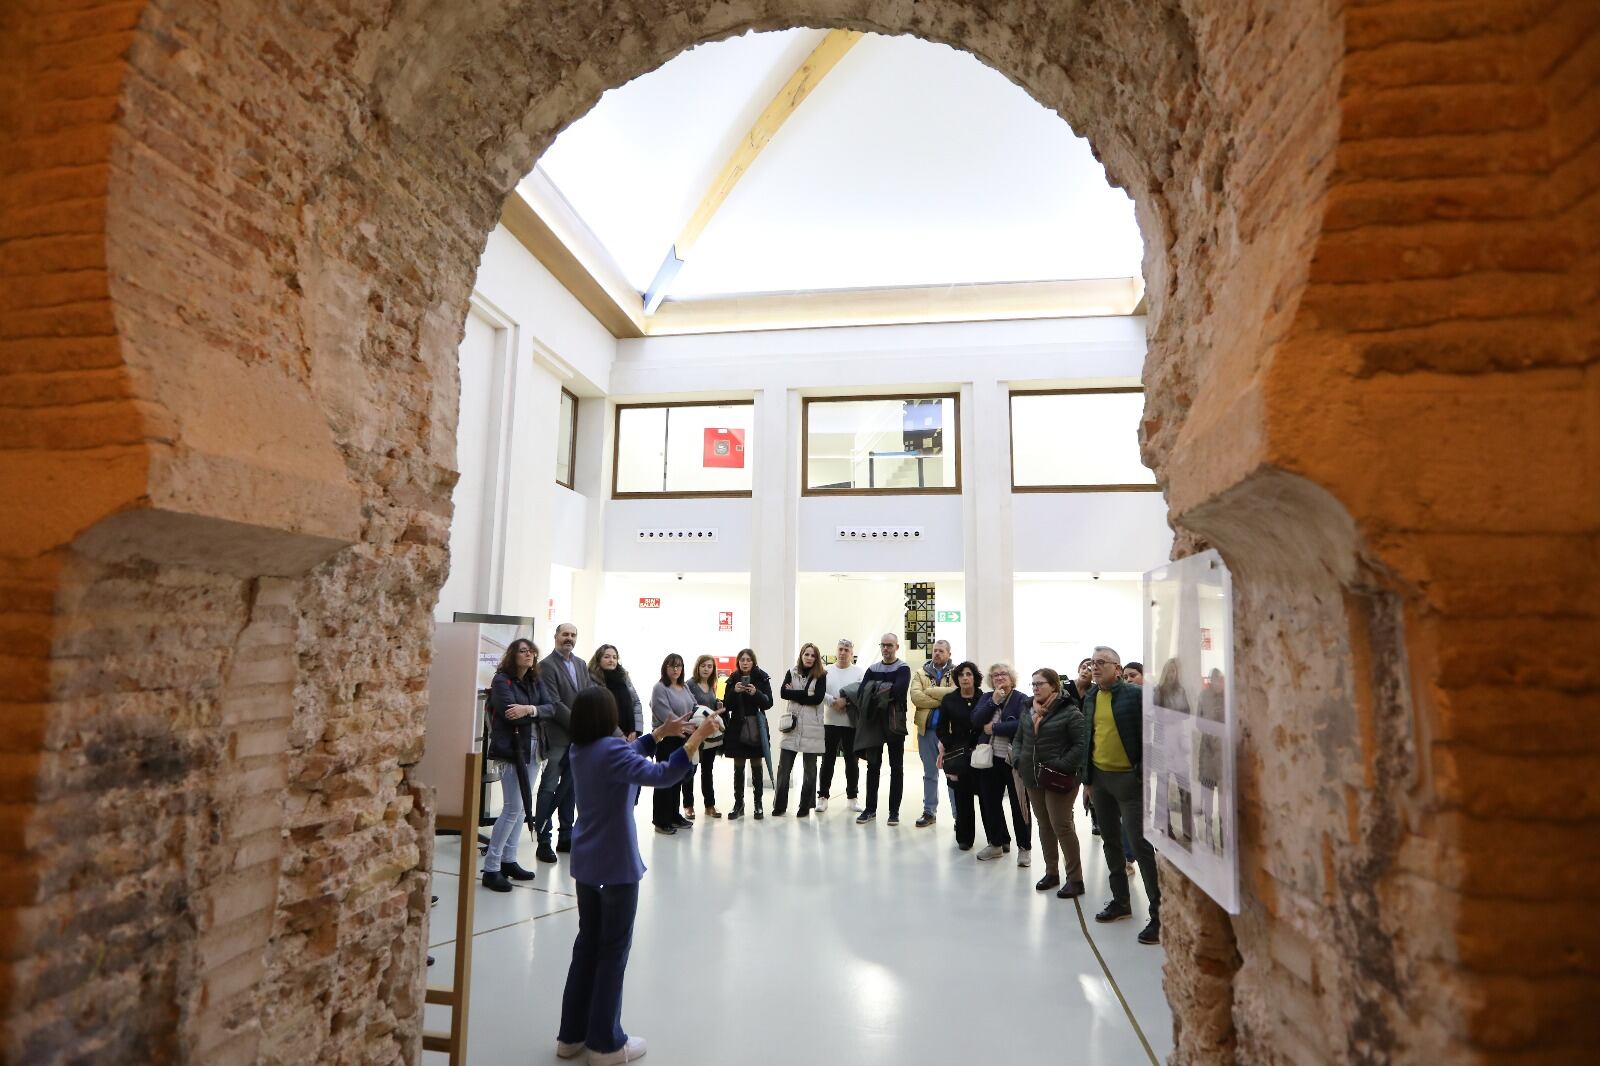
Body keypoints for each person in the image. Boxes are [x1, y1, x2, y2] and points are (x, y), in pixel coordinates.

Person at [555, 686, 722, 1064]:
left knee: (587, 947)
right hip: (615, 866)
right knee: (613, 951)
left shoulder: (580, 749)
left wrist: (660, 734)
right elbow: (663, 775)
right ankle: (606, 1044)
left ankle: (572, 1036)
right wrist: (697, 736)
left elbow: (626, 754)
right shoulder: (609, 750)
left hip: (587, 864)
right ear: (605, 717)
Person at [1083, 645, 1163, 945]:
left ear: (1117, 668)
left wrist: (1143, 773)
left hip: (1130, 780)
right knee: (1110, 841)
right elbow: (1088, 739)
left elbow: (1153, 736)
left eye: (1102, 662)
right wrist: (1087, 780)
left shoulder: (1135, 696)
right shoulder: (1091, 697)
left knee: (1140, 845)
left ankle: (1159, 914)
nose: (1095, 667)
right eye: (1093, 663)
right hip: (1100, 779)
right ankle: (1121, 902)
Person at [482, 638, 553, 891]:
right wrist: (529, 712)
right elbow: (507, 712)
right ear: (513, 655)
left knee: (523, 808)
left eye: (531, 651)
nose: (529, 655)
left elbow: (551, 708)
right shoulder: (502, 680)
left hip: (534, 750)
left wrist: (529, 710)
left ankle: (509, 860)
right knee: (512, 808)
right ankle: (491, 868)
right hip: (512, 751)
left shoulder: (536, 680)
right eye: (523, 651)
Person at [1014, 668, 1088, 898]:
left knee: (1062, 826)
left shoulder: (1070, 711)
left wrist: (1061, 764)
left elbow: (1081, 744)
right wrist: (1017, 759)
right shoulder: (1028, 709)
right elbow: (1019, 738)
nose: (1035, 687)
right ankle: (1051, 872)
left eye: (1040, 683)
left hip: (1058, 778)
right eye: (1033, 684)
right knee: (1044, 825)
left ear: (1054, 686)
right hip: (1033, 776)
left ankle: (1075, 880)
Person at [935, 660, 1008, 853]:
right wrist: (950, 744)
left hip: (982, 752)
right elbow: (941, 727)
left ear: (975, 678)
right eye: (961, 675)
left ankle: (998, 838)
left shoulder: (984, 697)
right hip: (958, 754)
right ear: (957, 679)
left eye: (969, 674)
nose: (965, 678)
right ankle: (965, 838)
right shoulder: (949, 700)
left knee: (988, 799)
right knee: (962, 797)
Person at [537, 623, 594, 863]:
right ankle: (543, 840)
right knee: (549, 787)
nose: (569, 638)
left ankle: (566, 837)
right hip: (557, 737)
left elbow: (588, 695)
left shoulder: (581, 664)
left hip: (578, 739)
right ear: (556, 637)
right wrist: (580, 724)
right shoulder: (545, 666)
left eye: (573, 634)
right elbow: (554, 702)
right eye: (565, 634)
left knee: (571, 787)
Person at [973, 663, 1031, 866]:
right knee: (990, 804)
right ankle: (996, 844)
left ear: (1012, 677)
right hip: (989, 761)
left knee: (1019, 806)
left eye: (1003, 674)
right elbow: (976, 720)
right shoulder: (988, 697)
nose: (999, 677)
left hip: (1013, 761)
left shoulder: (1021, 698)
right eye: (995, 675)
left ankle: (1024, 848)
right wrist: (993, 702)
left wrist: (995, 728)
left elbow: (1023, 724)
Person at [855, 633, 911, 825]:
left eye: (890, 645)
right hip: (874, 723)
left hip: (895, 722)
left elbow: (899, 690)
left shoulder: (903, 668)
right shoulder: (872, 668)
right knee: (873, 767)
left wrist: (875, 688)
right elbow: (863, 692)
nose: (886, 649)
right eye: (883, 645)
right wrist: (885, 689)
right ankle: (870, 809)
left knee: (896, 767)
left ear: (897, 647)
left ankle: (893, 812)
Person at [774, 642, 827, 817]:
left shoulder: (822, 675)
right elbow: (783, 693)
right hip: (792, 727)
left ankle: (805, 806)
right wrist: (805, 695)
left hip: (813, 728)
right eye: (807, 654)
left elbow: (818, 699)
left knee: (810, 771)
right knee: (784, 769)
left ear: (816, 658)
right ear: (801, 655)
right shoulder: (791, 672)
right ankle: (779, 806)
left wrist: (795, 694)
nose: (809, 658)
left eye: (813, 655)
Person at [908, 638, 956, 828]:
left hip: (951, 733)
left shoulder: (957, 672)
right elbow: (916, 697)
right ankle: (929, 812)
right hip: (927, 731)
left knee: (953, 774)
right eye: (935, 650)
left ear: (948, 654)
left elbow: (956, 694)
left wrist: (931, 691)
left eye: (941, 651)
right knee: (930, 773)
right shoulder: (920, 673)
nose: (937, 653)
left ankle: (958, 815)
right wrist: (943, 699)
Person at [720, 648, 772, 820]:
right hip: (737, 725)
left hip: (756, 725)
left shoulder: (762, 677)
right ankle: (739, 803)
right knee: (739, 764)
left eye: (748, 659)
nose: (745, 662)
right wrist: (735, 692)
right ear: (738, 662)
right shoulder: (733, 679)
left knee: (757, 763)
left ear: (753, 661)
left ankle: (758, 804)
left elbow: (768, 703)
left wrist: (755, 692)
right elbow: (726, 705)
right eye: (742, 659)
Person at [649, 654, 698, 835]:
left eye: (679, 666)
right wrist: (688, 728)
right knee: (664, 779)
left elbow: (694, 707)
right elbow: (666, 715)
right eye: (672, 666)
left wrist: (697, 721)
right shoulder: (659, 688)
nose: (676, 669)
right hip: (667, 738)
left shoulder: (684, 686)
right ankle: (661, 820)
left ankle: (673, 815)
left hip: (682, 738)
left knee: (677, 778)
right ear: (665, 668)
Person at [818, 638, 863, 813]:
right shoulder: (825, 671)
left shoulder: (859, 672)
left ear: (852, 653)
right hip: (829, 723)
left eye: (846, 650)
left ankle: (852, 797)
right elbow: (819, 692)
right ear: (836, 651)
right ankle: (823, 797)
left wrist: (846, 702)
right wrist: (833, 701)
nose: (843, 652)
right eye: (840, 649)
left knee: (852, 761)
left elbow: (861, 693)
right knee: (827, 760)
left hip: (851, 724)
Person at [686, 655, 725, 817]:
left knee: (707, 770)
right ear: (698, 667)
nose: (706, 669)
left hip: (710, 734)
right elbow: (690, 707)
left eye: (709, 666)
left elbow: (709, 707)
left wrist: (717, 705)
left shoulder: (711, 685)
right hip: (695, 733)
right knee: (690, 770)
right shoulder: (690, 684)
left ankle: (710, 805)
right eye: (703, 666)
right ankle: (688, 806)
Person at [589, 645, 642, 741]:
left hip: (630, 734)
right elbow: (599, 711)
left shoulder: (624, 677)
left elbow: (636, 703)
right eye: (607, 657)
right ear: (598, 659)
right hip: (605, 736)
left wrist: (636, 730)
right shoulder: (591, 680)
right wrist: (619, 734)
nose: (611, 660)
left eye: (614, 657)